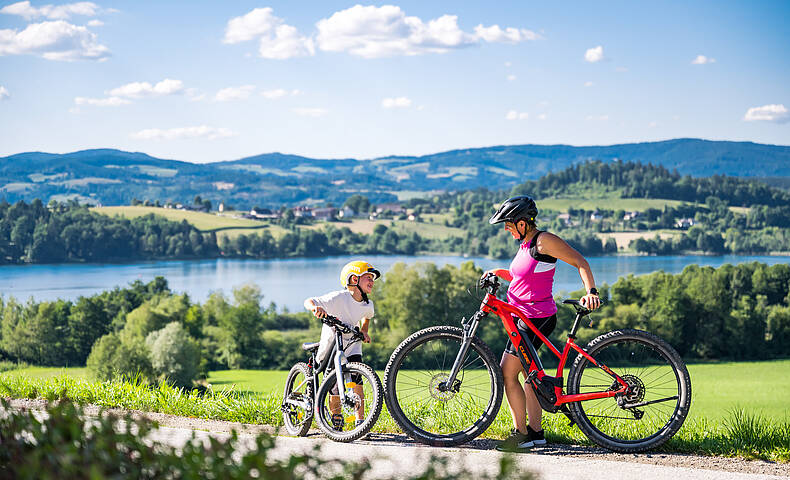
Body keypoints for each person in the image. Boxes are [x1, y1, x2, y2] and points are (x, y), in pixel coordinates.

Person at [483, 195, 601, 452]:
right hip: (521, 317)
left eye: (509, 223)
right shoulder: (525, 244)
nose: (506, 228)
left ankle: (521, 434)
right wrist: (496, 273)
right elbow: (518, 276)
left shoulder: (544, 241)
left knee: (506, 372)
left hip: (536, 318)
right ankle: (536, 433)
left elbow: (581, 261)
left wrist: (591, 291)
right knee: (530, 374)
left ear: (523, 223)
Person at [303, 260, 380, 431]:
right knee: (334, 386)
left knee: (357, 382)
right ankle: (337, 417)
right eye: (368, 277)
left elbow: (367, 316)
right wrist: (316, 308)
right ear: (353, 279)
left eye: (373, 278)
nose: (372, 281)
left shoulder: (368, 304)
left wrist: (365, 330)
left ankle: (360, 423)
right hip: (332, 346)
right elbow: (309, 301)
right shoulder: (338, 298)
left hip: (352, 345)